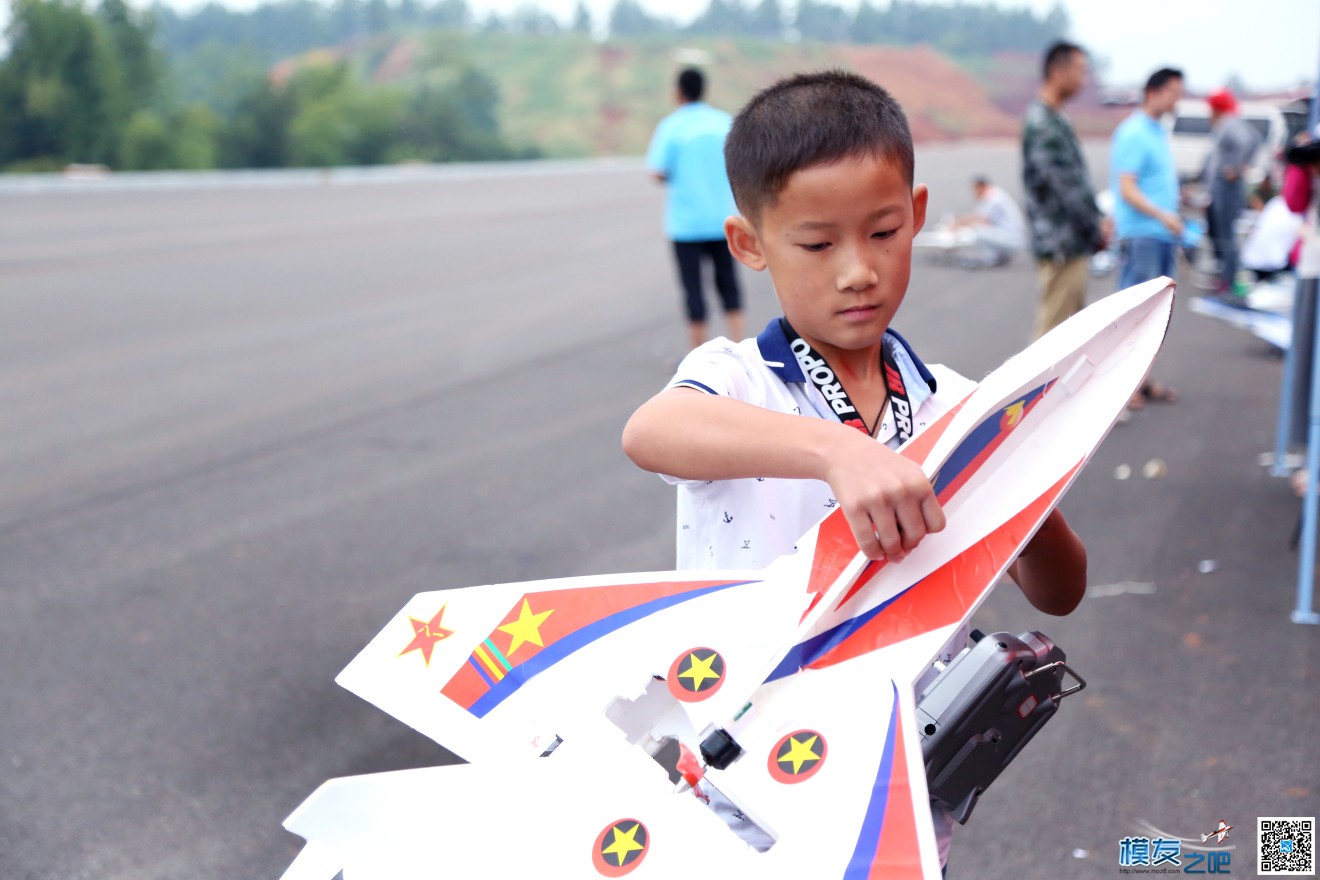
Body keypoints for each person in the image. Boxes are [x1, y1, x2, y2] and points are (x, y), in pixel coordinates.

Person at [623, 72, 1088, 863]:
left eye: (882, 233)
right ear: (749, 244)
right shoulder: (740, 378)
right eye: (816, 244)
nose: (857, 271)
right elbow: (651, 430)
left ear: (917, 216)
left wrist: (1022, 484)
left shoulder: (955, 403)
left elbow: (1061, 590)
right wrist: (837, 449)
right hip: (749, 800)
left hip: (904, 784)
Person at [647, 68, 744, 351]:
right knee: (728, 284)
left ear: (678, 92)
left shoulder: (672, 126)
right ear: (705, 89)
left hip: (686, 224)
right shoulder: (723, 123)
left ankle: (697, 356)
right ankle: (739, 348)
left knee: (693, 291)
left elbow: (657, 171)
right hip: (722, 220)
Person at [1022, 40, 1111, 338]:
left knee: (1065, 334)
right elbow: (1067, 187)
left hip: (1070, 241)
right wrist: (1095, 227)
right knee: (1051, 338)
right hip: (1061, 243)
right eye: (1079, 71)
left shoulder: (1054, 117)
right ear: (1057, 72)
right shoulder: (1044, 122)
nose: (1083, 80)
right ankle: (1035, 387)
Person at [1110, 67, 1185, 406]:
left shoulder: (1155, 131)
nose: (1177, 98)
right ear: (1153, 91)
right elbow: (1127, 188)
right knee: (1134, 313)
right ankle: (1124, 386)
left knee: (1154, 316)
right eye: (1172, 91)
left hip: (1160, 235)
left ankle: (1143, 379)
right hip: (1142, 235)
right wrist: (1163, 215)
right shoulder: (1134, 132)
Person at [1202, 88, 1262, 295]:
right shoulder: (1234, 122)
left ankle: (1230, 279)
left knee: (1226, 234)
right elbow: (1255, 139)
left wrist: (1236, 168)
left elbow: (1246, 142)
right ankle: (1227, 276)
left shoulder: (1228, 123)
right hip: (1224, 185)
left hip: (1226, 186)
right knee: (1223, 232)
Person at [947, 175, 1026, 267]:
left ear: (981, 187)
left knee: (978, 232)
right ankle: (999, 257)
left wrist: (957, 224)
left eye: (975, 189)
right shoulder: (997, 194)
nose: (974, 193)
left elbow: (979, 218)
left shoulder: (993, 198)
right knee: (983, 229)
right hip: (1012, 235)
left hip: (1013, 239)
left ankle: (991, 259)